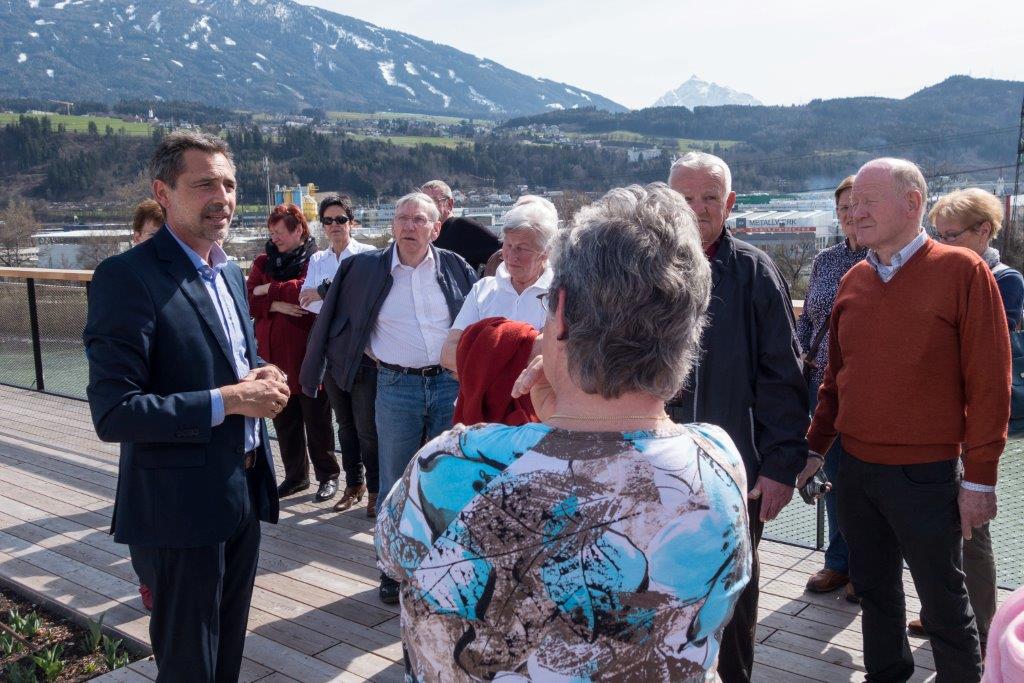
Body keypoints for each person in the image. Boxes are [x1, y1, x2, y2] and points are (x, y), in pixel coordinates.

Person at [375, 183, 751, 681]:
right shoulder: (720, 457)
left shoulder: (456, 464)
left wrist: (555, 418)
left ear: (563, 312)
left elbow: (392, 555)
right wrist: (563, 415)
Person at [83, 130, 288, 681]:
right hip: (178, 505)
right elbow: (115, 412)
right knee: (188, 662)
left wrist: (259, 372)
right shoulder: (126, 278)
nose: (222, 196)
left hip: (242, 486)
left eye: (229, 183)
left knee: (225, 656)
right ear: (164, 191)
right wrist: (232, 398)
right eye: (204, 184)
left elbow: (221, 360)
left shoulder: (224, 270)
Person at [803, 158, 1011, 682]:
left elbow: (990, 384)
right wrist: (813, 448)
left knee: (943, 604)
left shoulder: (964, 272)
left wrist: (981, 478)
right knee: (875, 594)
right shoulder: (854, 279)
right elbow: (834, 381)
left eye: (870, 201)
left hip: (926, 474)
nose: (857, 212)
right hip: (853, 470)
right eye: (853, 205)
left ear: (913, 202)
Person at [666, 152, 809, 683]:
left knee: (734, 591)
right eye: (685, 198)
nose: (697, 209)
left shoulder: (752, 271)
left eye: (709, 198)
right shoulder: (639, 266)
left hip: (733, 472)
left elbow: (783, 378)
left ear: (730, 204)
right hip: (651, 466)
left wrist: (780, 466)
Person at [300, 191, 477, 604]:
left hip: (449, 385)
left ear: (436, 228)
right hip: (394, 386)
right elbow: (333, 320)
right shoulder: (365, 268)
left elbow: (477, 322)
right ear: (391, 226)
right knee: (395, 480)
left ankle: (439, 565)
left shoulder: (456, 267)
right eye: (402, 219)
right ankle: (391, 569)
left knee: (445, 480)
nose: (409, 227)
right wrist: (335, 363)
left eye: (419, 220)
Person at [902, 188, 1024, 649]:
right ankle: (941, 611)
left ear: (984, 231)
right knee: (938, 527)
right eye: (939, 234)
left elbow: (985, 348)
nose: (943, 242)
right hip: (938, 419)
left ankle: (984, 626)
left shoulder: (1003, 278)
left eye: (951, 235)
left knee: (972, 530)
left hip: (975, 421)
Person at [799, 175, 867, 599]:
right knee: (833, 475)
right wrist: (801, 350)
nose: (850, 215)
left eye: (856, 205)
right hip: (820, 385)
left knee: (867, 481)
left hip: (866, 389)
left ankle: (869, 565)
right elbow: (808, 315)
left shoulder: (887, 259)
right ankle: (839, 563)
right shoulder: (825, 261)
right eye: (842, 208)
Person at [247, 204, 338, 502]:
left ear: (298, 230)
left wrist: (266, 292)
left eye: (279, 232)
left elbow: (303, 292)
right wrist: (277, 303)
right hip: (273, 357)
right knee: (284, 421)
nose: (274, 238)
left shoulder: (316, 260)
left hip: (307, 354)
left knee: (318, 421)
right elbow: (246, 299)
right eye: (271, 233)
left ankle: (328, 476)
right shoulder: (263, 260)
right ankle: (296, 477)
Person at [299, 194, 378, 513]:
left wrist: (322, 292)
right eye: (328, 220)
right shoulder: (318, 259)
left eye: (340, 220)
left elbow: (365, 303)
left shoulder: (369, 255)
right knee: (343, 425)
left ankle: (376, 489)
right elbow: (305, 302)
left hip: (363, 353)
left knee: (367, 428)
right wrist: (330, 295)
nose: (334, 226)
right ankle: (354, 483)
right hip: (332, 351)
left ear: (352, 222)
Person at [440, 201, 555, 373]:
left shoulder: (561, 294)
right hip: (483, 400)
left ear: (545, 253)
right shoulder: (484, 289)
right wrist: (526, 350)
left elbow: (558, 356)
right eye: (508, 246)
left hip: (536, 399)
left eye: (522, 249)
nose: (512, 256)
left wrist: (482, 349)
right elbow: (448, 354)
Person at [422, 179, 500, 271]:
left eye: (434, 202)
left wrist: (484, 281)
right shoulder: (425, 234)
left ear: (450, 204)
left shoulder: (462, 227)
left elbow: (503, 253)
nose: (429, 208)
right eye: (423, 203)